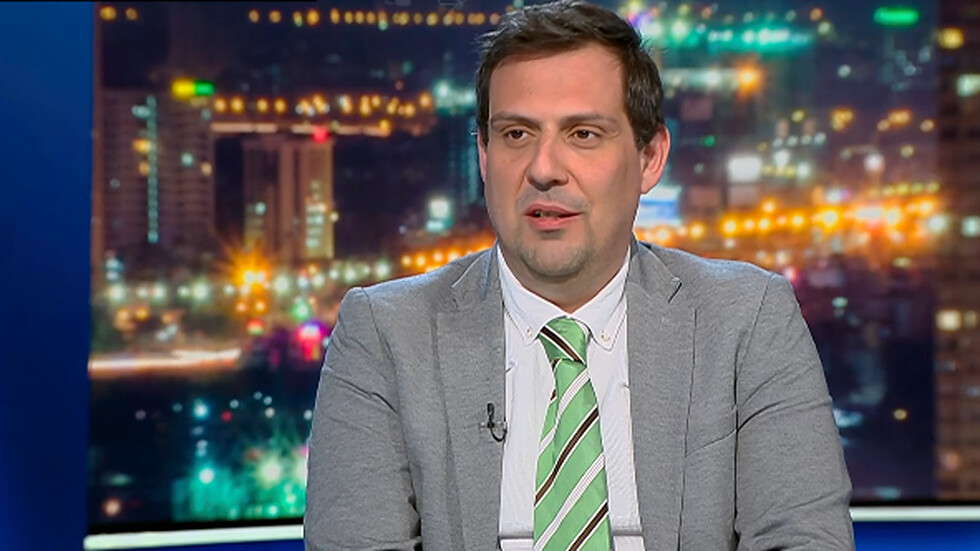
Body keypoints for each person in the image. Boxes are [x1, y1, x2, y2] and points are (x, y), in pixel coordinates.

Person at [304, 1, 854, 550]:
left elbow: (804, 540)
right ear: (483, 155)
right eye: (516, 134)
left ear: (650, 157)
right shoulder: (384, 336)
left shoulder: (748, 321)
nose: (544, 169)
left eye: (584, 134)